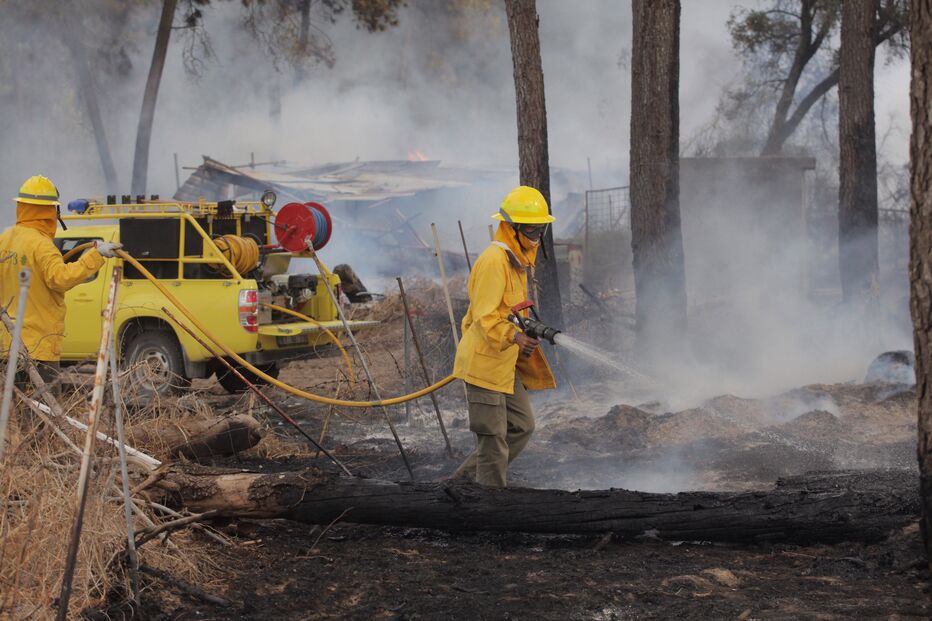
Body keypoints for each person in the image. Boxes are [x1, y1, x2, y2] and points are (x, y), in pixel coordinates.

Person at [451, 185, 557, 487]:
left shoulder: (517, 262)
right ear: (513, 227)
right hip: (483, 365)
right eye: (533, 230)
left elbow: (508, 310)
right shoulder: (494, 261)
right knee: (493, 439)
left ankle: (461, 483)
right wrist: (515, 337)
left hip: (503, 364)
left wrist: (524, 333)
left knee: (522, 426)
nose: (537, 237)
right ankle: (490, 503)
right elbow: (486, 316)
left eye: (541, 230)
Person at [0, 175, 121, 393]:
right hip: (39, 347)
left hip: (7, 344)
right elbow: (61, 278)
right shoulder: (41, 245)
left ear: (21, 206)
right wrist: (95, 255)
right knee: (44, 412)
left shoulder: (5, 238)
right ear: (50, 212)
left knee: (13, 409)